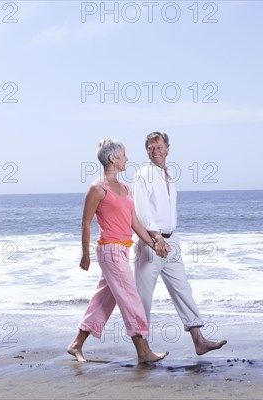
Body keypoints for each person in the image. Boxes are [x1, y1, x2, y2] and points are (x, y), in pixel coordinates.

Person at [67, 138, 168, 364]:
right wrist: (85, 254)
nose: (127, 159)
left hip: (123, 250)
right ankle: (143, 351)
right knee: (131, 299)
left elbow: (135, 223)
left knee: (103, 300)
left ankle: (76, 344)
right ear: (113, 158)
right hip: (109, 251)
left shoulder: (124, 188)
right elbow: (85, 223)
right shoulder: (97, 188)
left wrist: (154, 244)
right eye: (123, 155)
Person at [132, 132, 227, 355]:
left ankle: (199, 340)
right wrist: (156, 239)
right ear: (146, 150)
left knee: (183, 290)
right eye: (150, 147)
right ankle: (143, 350)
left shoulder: (170, 173)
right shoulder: (142, 175)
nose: (155, 151)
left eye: (159, 146)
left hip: (171, 240)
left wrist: (168, 239)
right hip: (151, 243)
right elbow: (142, 213)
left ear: (168, 149)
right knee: (143, 298)